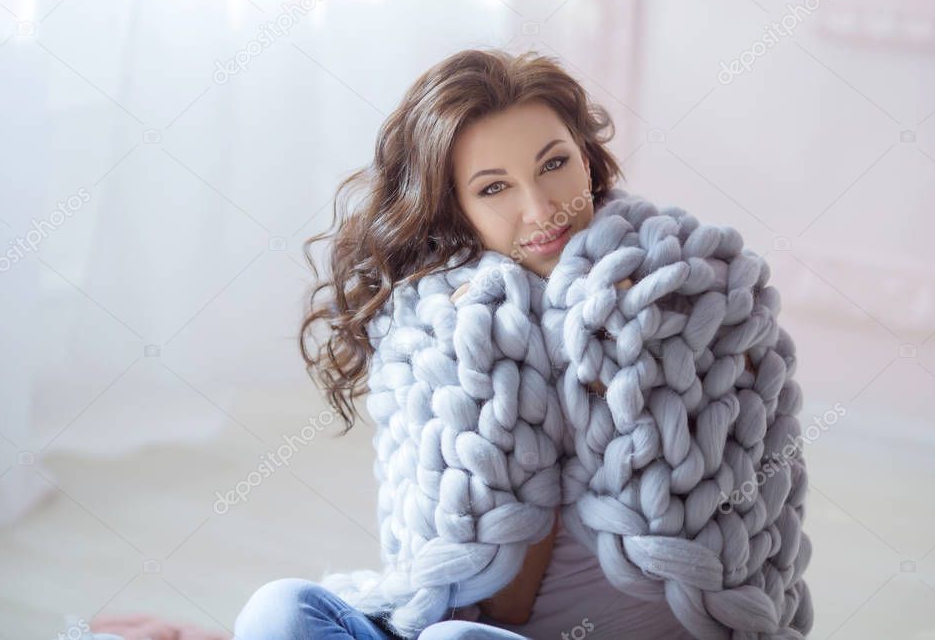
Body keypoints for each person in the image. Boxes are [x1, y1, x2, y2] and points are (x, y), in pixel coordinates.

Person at [235, 48, 695, 639]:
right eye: (495, 186)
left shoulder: (681, 292)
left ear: (586, 158)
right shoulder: (440, 323)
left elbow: (513, 611)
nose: (540, 208)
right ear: (455, 208)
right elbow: (473, 593)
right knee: (281, 611)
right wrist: (501, 364)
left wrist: (604, 352)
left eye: (554, 164)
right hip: (452, 625)